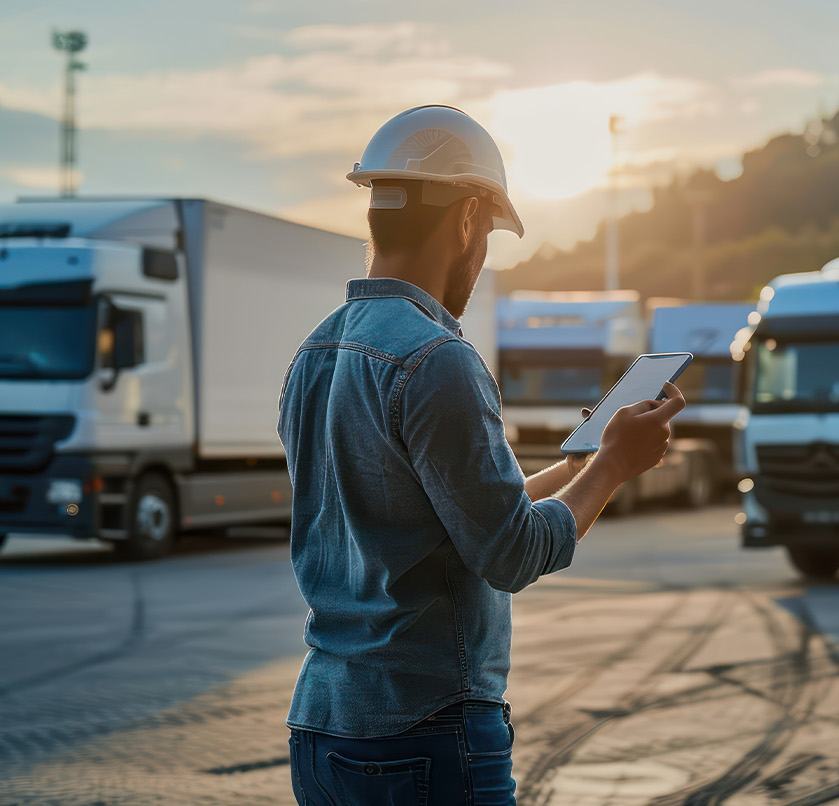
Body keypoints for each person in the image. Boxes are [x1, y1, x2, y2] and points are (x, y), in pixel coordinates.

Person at [279, 104, 683, 806]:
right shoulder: (438, 358)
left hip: (324, 732)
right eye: (488, 232)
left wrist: (587, 459)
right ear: (467, 217)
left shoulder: (316, 351)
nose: (483, 252)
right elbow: (512, 553)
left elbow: (456, 518)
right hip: (425, 733)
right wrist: (616, 467)